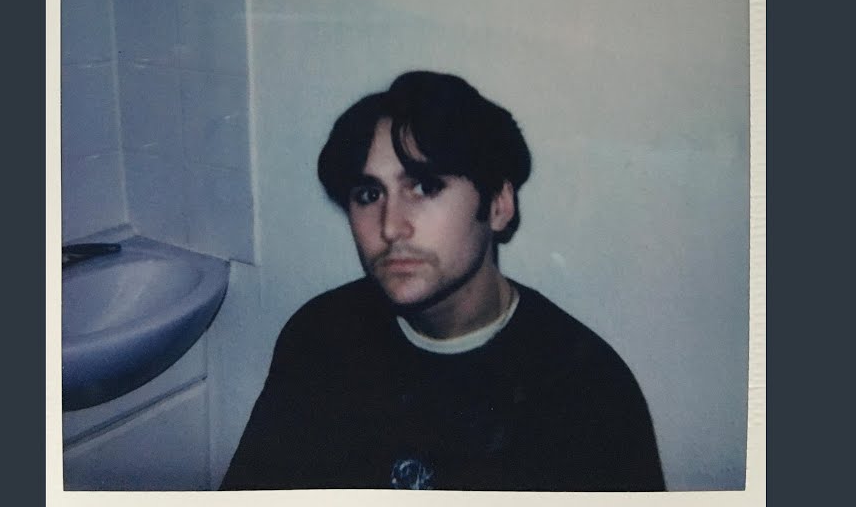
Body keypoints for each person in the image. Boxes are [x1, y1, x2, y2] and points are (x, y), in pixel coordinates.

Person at [220, 71, 666, 491]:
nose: (390, 227)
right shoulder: (320, 336)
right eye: (369, 194)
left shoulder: (587, 390)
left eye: (424, 187)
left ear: (498, 205)